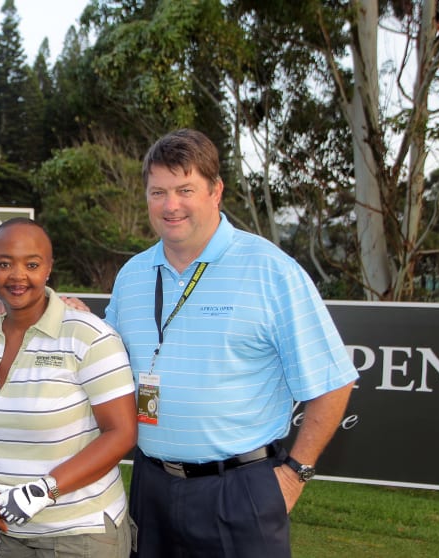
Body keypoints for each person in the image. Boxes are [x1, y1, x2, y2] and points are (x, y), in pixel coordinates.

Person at [105, 129, 359, 557]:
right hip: (150, 487)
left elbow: (334, 384)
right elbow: (99, 358)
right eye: (158, 192)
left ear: (216, 191)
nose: (171, 205)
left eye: (185, 189)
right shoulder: (132, 275)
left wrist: (294, 475)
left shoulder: (271, 270)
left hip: (241, 492)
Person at [0, 218, 137, 558]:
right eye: (4, 264)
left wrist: (44, 490)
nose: (17, 276)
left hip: (81, 533)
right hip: (3, 528)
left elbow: (121, 432)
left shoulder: (89, 336)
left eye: (31, 264)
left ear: (49, 268)